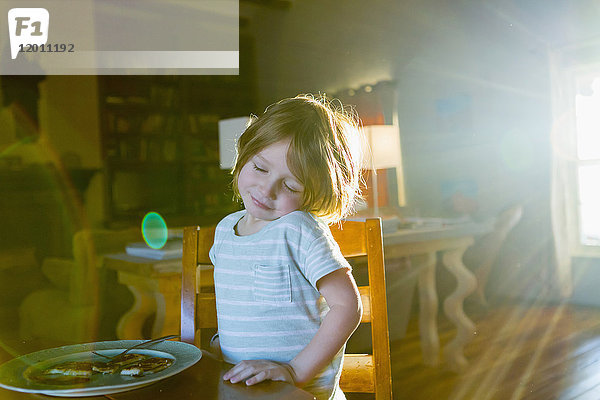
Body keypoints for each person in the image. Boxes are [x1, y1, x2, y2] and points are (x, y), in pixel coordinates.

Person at [208, 94, 364, 400]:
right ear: (244, 154)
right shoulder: (225, 229)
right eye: (260, 168)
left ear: (313, 193)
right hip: (242, 389)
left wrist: (294, 371)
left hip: (299, 391)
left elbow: (348, 306)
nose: (267, 190)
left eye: (291, 185)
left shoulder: (299, 229)